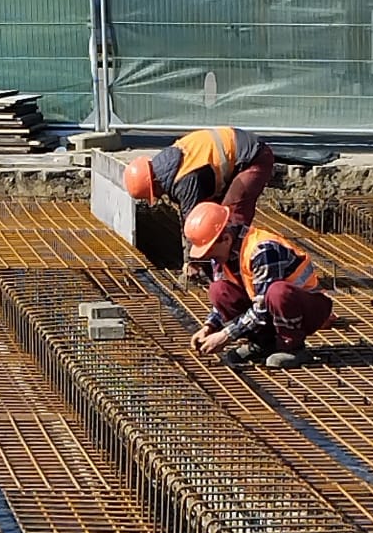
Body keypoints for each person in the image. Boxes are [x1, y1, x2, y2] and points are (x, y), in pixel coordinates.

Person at [184, 201, 334, 370]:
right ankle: (264, 344)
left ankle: (292, 347)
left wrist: (226, 335)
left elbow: (262, 308)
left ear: (226, 239)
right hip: (271, 309)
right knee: (219, 290)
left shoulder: (263, 250)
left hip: (309, 309)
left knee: (278, 292)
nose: (208, 257)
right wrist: (209, 327)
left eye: (209, 250)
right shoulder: (222, 254)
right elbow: (235, 300)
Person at [123, 128, 275, 236]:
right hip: (240, 150)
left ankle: (235, 264)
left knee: (229, 219)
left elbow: (193, 223)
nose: (157, 196)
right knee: (214, 214)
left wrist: (192, 262)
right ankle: (220, 263)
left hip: (253, 157)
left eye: (153, 193)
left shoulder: (183, 181)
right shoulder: (168, 161)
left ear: (155, 183)